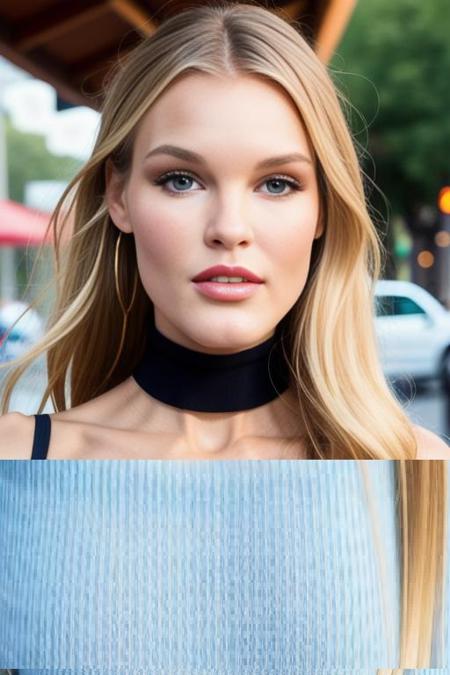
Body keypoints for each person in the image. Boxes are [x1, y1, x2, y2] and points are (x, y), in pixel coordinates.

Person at [0, 2, 447, 667]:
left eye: (277, 182)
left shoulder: (418, 469)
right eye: (180, 179)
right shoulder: (16, 464)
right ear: (119, 197)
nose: (229, 226)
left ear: (323, 208)